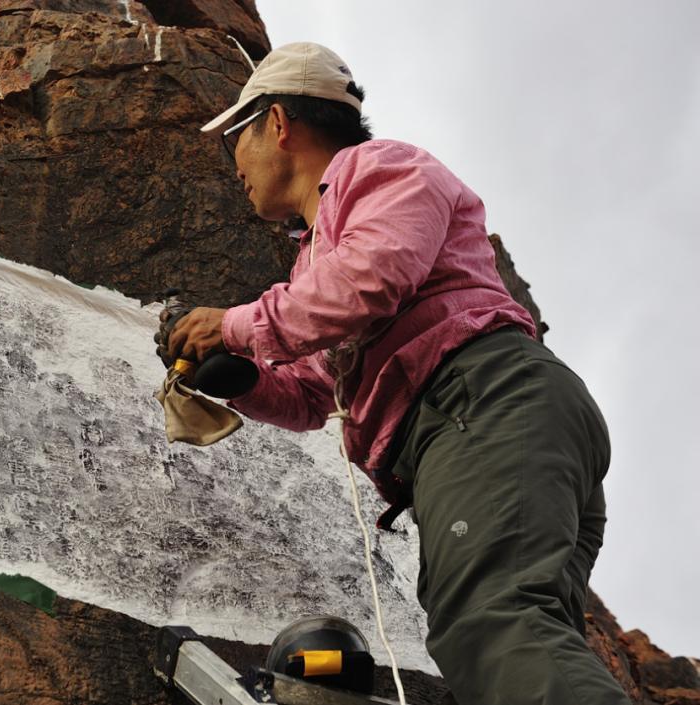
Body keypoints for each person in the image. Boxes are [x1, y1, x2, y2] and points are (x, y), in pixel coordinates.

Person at [163, 42, 630, 705]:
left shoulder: (381, 168)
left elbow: (371, 281)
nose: (232, 162)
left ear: (277, 122)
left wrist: (234, 325)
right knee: (500, 629)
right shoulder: (314, 259)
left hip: (481, 400)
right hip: (490, 417)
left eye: (234, 137)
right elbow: (309, 396)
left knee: (491, 621)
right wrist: (239, 378)